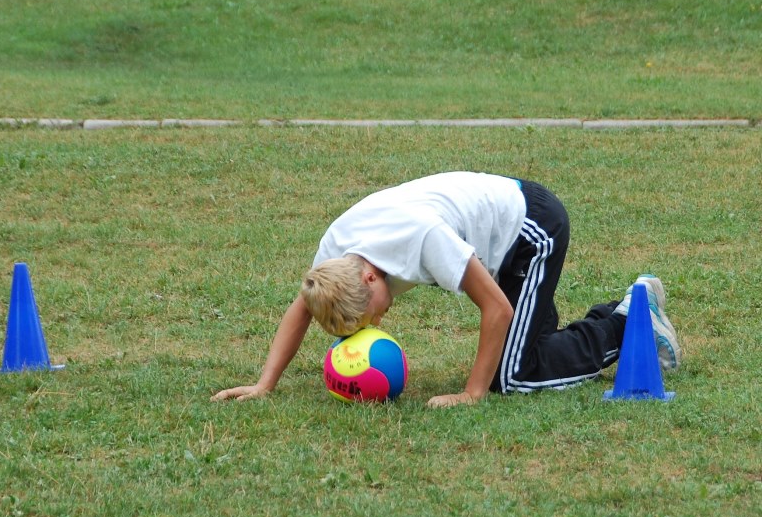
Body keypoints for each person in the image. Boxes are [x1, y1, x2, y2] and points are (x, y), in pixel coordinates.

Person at [211, 171, 682, 407]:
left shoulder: (422, 238)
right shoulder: (335, 256)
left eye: (372, 315)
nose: (377, 323)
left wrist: (471, 393)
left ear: (371, 276)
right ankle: (614, 314)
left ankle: (630, 321)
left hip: (531, 229)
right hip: (496, 239)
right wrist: (264, 384)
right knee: (525, 346)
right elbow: (302, 308)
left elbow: (497, 309)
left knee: (511, 376)